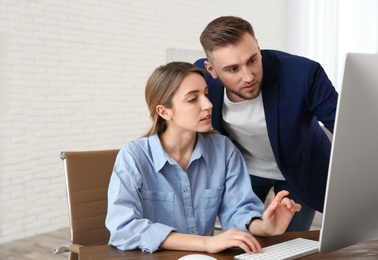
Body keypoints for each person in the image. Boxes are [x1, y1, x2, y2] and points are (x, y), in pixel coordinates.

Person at [105, 61, 301, 253]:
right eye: (192, 99)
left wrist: (266, 227)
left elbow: (238, 211)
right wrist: (206, 243)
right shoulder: (134, 156)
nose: (208, 104)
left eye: (206, 94)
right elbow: (122, 227)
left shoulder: (223, 150)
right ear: (164, 111)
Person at [195, 16, 338, 231]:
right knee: (240, 237)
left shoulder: (303, 74)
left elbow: (344, 128)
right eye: (233, 69)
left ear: (259, 49)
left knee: (290, 241)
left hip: (302, 167)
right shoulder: (199, 79)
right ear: (212, 70)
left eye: (252, 60)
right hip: (247, 169)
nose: (248, 76)